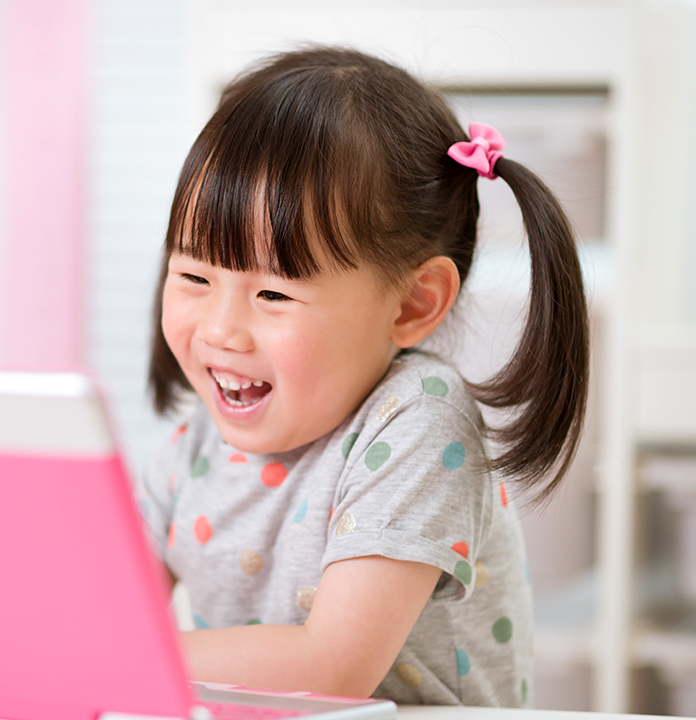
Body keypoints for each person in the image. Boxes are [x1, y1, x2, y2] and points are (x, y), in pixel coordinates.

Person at [137, 46, 588, 707]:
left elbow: (333, 667)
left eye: (274, 295)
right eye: (195, 278)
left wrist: (125, 652)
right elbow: (104, 612)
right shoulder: (194, 448)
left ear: (413, 304)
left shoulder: (420, 421)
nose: (219, 331)